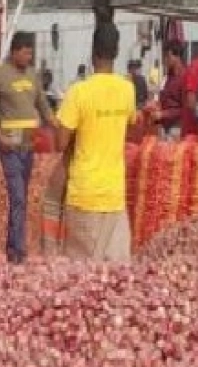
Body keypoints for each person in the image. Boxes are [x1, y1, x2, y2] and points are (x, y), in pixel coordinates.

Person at [56, 22, 137, 262]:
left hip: (84, 194)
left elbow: (60, 143)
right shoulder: (127, 89)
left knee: (83, 276)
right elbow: (131, 128)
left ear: (93, 54)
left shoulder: (78, 92)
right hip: (114, 196)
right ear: (117, 52)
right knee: (116, 276)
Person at [0, 31, 54, 264]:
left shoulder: (33, 76)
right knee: (18, 197)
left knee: (21, 197)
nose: (29, 56)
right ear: (14, 51)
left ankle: (12, 248)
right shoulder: (0, 75)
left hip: (29, 145)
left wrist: (58, 125)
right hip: (10, 147)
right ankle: (19, 252)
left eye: (31, 52)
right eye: (25, 52)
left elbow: (43, 106)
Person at [156, 40, 187, 139]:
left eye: (167, 56)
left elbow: (186, 108)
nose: (165, 60)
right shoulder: (168, 77)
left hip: (177, 128)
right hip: (165, 127)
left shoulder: (184, 77)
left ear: (177, 57)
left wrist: (164, 114)